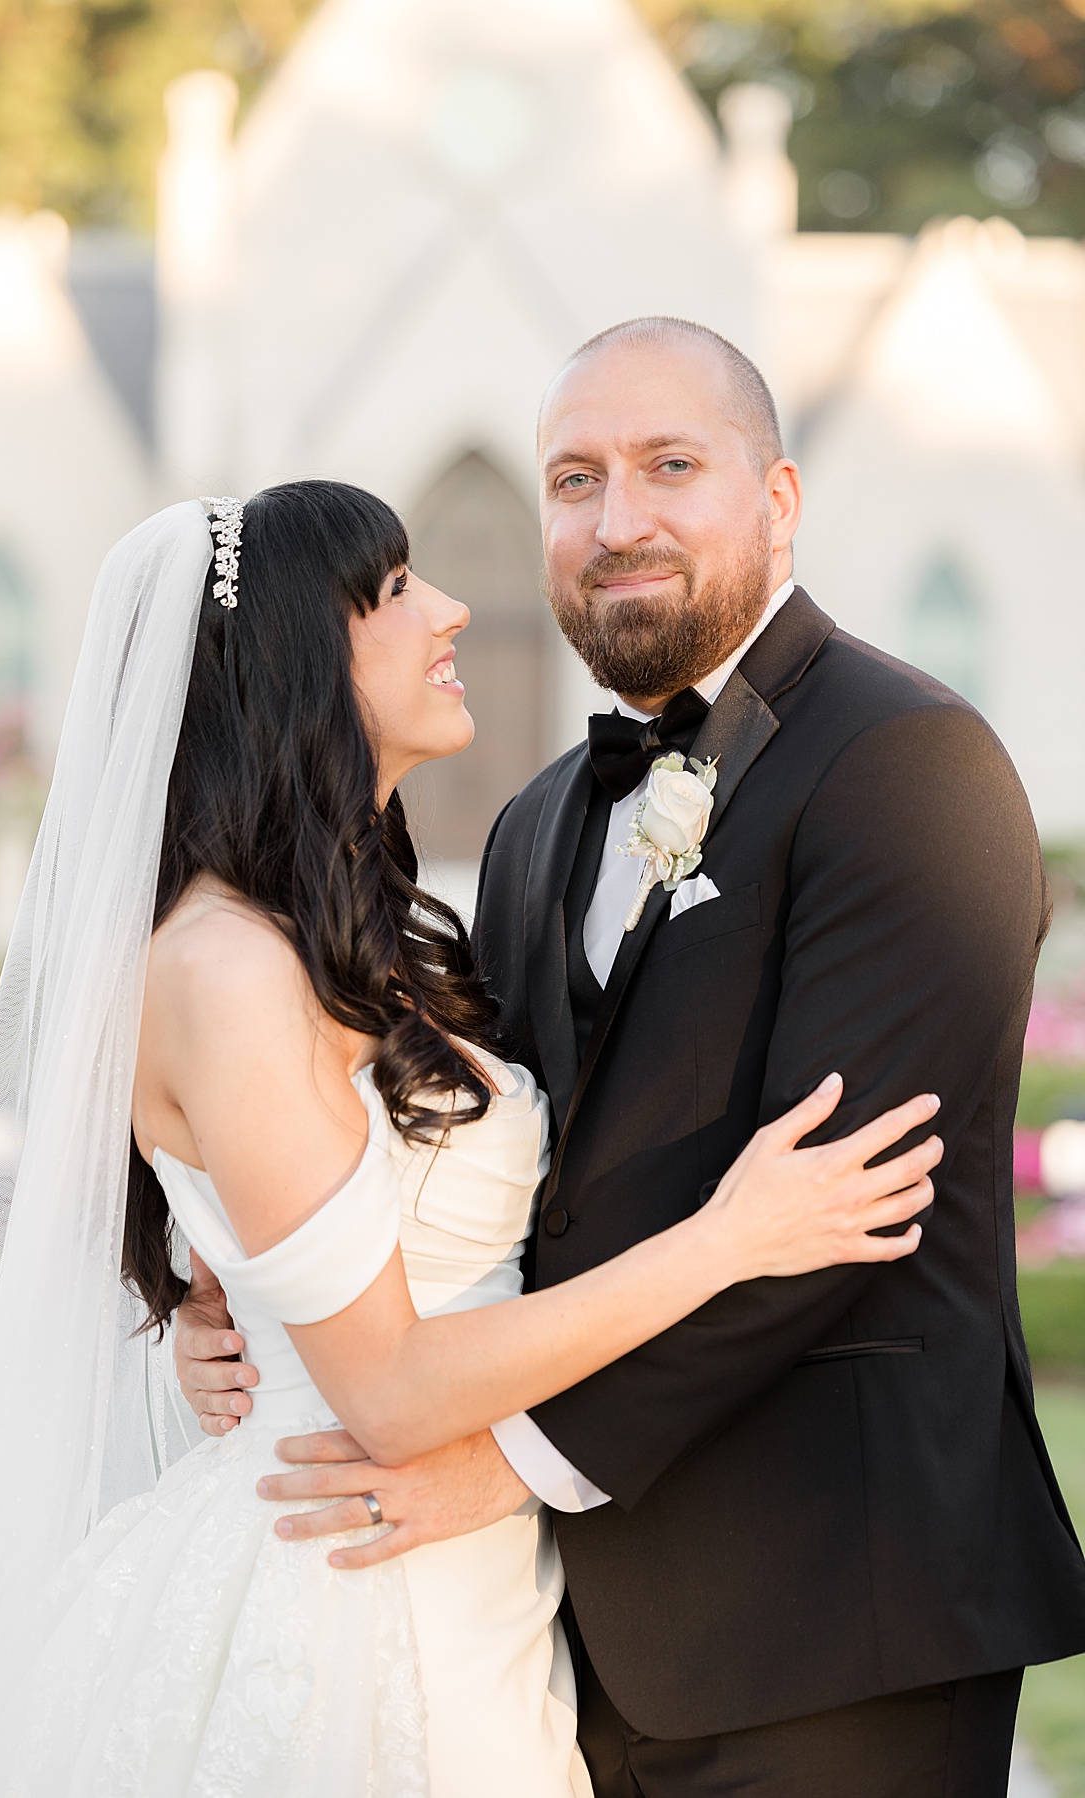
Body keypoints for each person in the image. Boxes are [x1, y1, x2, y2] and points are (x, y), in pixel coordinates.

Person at [0, 477, 940, 1795]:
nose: (449, 608)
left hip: (464, 1580)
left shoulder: (332, 932)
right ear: (292, 662)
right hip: (352, 1595)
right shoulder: (226, 967)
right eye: (392, 590)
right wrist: (727, 1241)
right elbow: (384, 1389)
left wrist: (235, 1314)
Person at [169, 320, 1085, 1794]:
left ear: (779, 498)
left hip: (833, 1619)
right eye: (576, 479)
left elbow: (838, 1220)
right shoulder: (533, 826)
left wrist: (502, 1464)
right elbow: (469, 1158)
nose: (620, 518)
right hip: (564, 1639)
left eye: (671, 465)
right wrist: (227, 1294)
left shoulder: (910, 762)